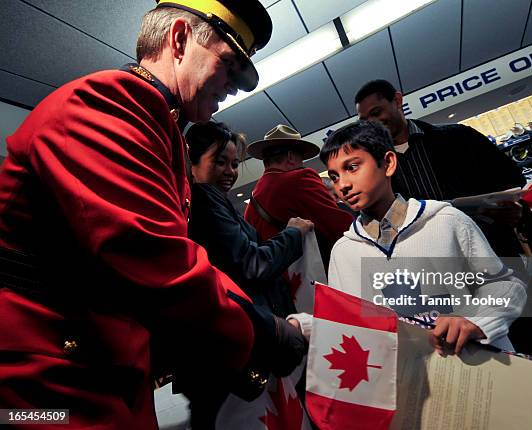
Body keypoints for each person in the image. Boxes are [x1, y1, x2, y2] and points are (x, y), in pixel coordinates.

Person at [0, 1, 306, 428]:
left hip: (97, 368)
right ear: (179, 39)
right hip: (43, 390)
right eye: (229, 65)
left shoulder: (158, 126)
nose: (236, 88)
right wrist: (263, 330)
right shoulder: (108, 103)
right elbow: (157, 260)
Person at [314, 120, 526, 354]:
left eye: (352, 167)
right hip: (406, 381)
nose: (342, 185)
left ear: (388, 163)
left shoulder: (445, 221)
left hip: (472, 368)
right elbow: (346, 323)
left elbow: (504, 285)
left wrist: (477, 319)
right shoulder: (343, 252)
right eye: (334, 176)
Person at [185, 121, 313, 427]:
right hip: (237, 345)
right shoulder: (204, 201)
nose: (230, 171)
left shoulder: (216, 202)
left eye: (234, 164)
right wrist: (292, 235)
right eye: (219, 162)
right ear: (192, 162)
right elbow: (252, 265)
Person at [354, 79, 525, 257]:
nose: (372, 124)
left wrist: (511, 207)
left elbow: (511, 179)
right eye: (364, 121)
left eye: (376, 112)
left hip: (491, 248)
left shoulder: (459, 137)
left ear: (397, 101)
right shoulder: (374, 170)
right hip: (435, 266)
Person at [244, 124, 353, 268]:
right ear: (290, 156)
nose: (302, 163)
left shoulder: (253, 198)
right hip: (315, 275)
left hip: (278, 282)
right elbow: (338, 226)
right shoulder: (300, 178)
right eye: (301, 157)